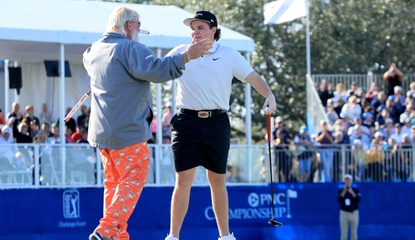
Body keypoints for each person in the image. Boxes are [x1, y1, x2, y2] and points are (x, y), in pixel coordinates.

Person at [84, 6, 213, 240]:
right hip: (127, 131)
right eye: (139, 25)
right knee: (135, 175)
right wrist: (187, 55)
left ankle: (115, 235)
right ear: (130, 25)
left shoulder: (93, 50)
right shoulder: (133, 48)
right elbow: (157, 71)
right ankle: (106, 230)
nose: (140, 29)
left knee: (114, 184)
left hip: (102, 134)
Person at [164, 10, 277, 240]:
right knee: (183, 179)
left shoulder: (229, 54)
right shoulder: (179, 52)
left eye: (200, 27)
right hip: (186, 122)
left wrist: (270, 95)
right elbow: (156, 70)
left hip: (217, 122)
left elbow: (253, 77)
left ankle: (225, 236)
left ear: (213, 30)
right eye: (193, 28)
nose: (195, 32)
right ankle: (173, 236)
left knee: (217, 179)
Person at [338, 174, 361, 240]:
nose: (347, 181)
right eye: (346, 180)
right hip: (344, 213)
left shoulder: (356, 190)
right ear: (344, 181)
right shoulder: (341, 190)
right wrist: (344, 190)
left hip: (354, 213)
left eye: (349, 180)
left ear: (351, 181)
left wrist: (351, 192)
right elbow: (339, 199)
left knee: (354, 234)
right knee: (343, 235)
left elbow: (358, 199)